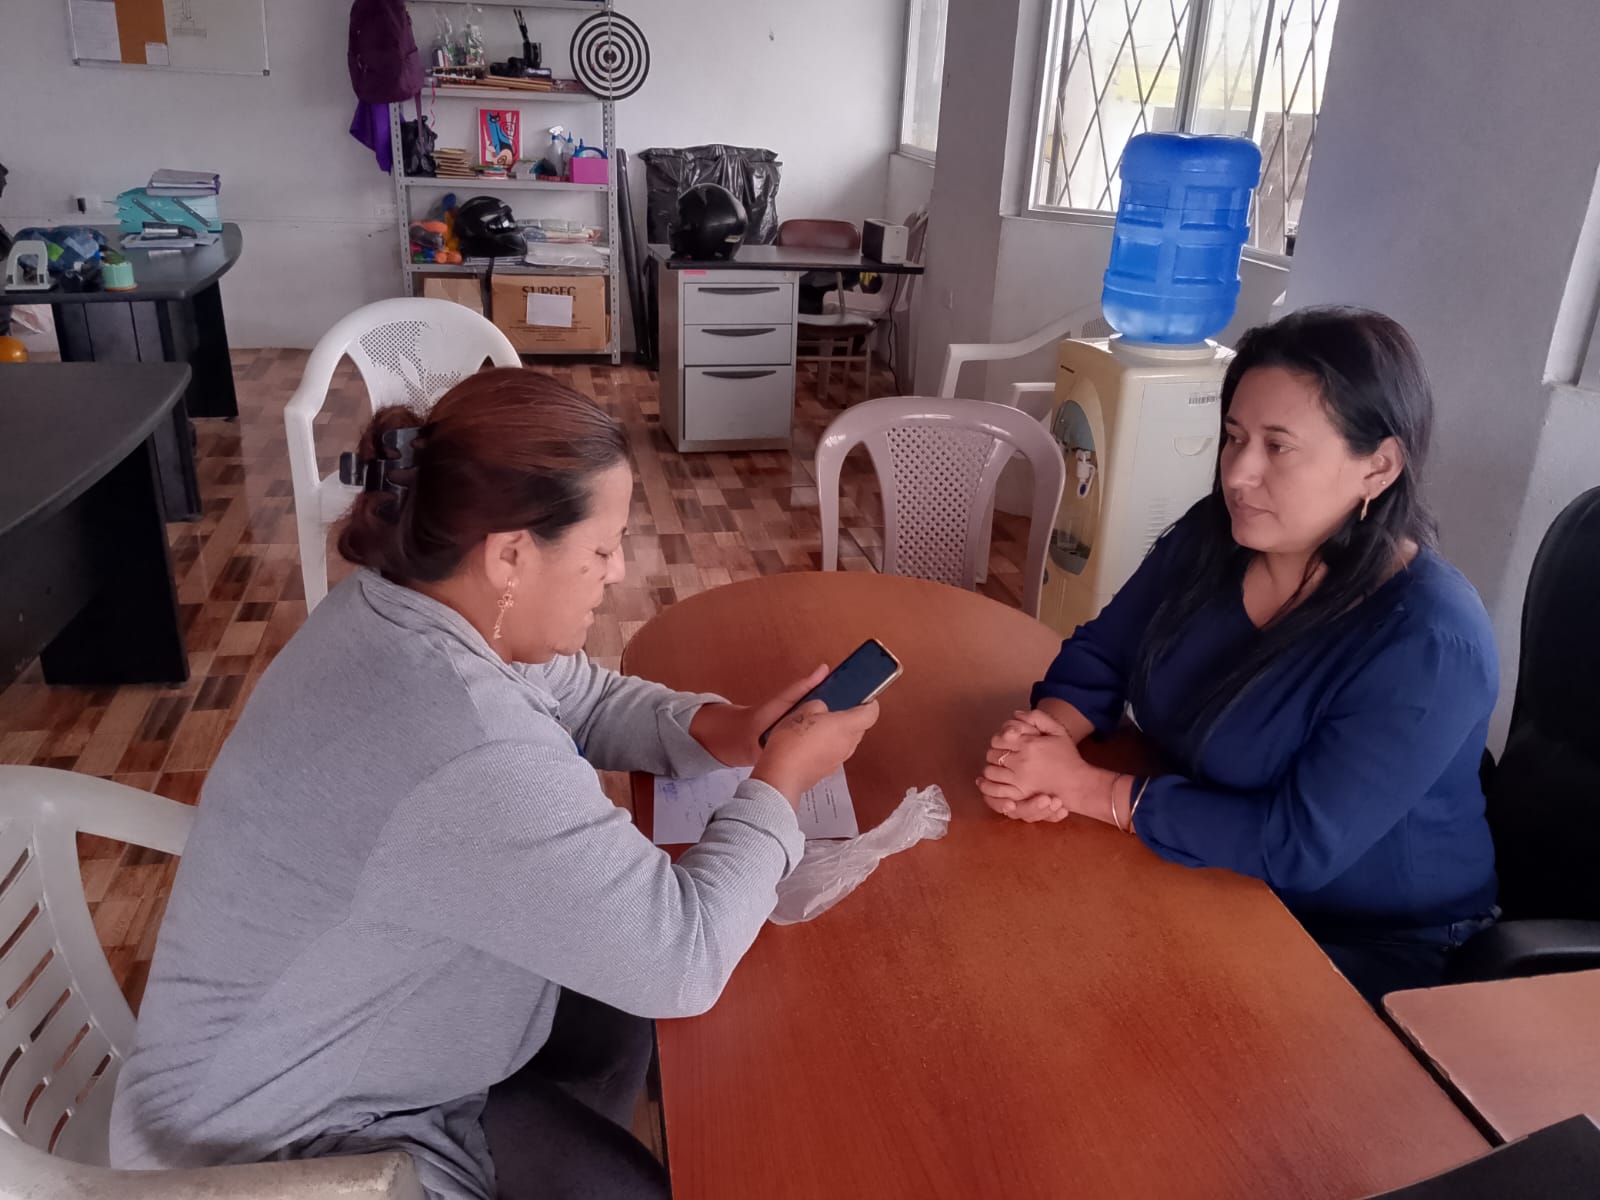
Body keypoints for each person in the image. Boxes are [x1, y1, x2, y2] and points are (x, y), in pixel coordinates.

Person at [110, 368, 879, 1200]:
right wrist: (780, 781)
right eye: (601, 549)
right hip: (276, 1149)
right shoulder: (466, 741)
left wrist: (726, 729)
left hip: (345, 1037)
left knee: (622, 1011)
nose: (618, 571)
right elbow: (683, 958)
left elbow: (582, 695)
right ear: (510, 554)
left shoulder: (403, 604)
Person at [978, 308, 1499, 1005]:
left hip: (1369, 942)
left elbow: (1295, 846)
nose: (1239, 474)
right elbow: (1105, 651)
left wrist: (1084, 789)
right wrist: (1047, 737)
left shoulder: (1428, 641)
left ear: (1378, 466)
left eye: (1278, 447)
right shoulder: (1215, 537)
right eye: (1234, 438)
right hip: (1211, 868)